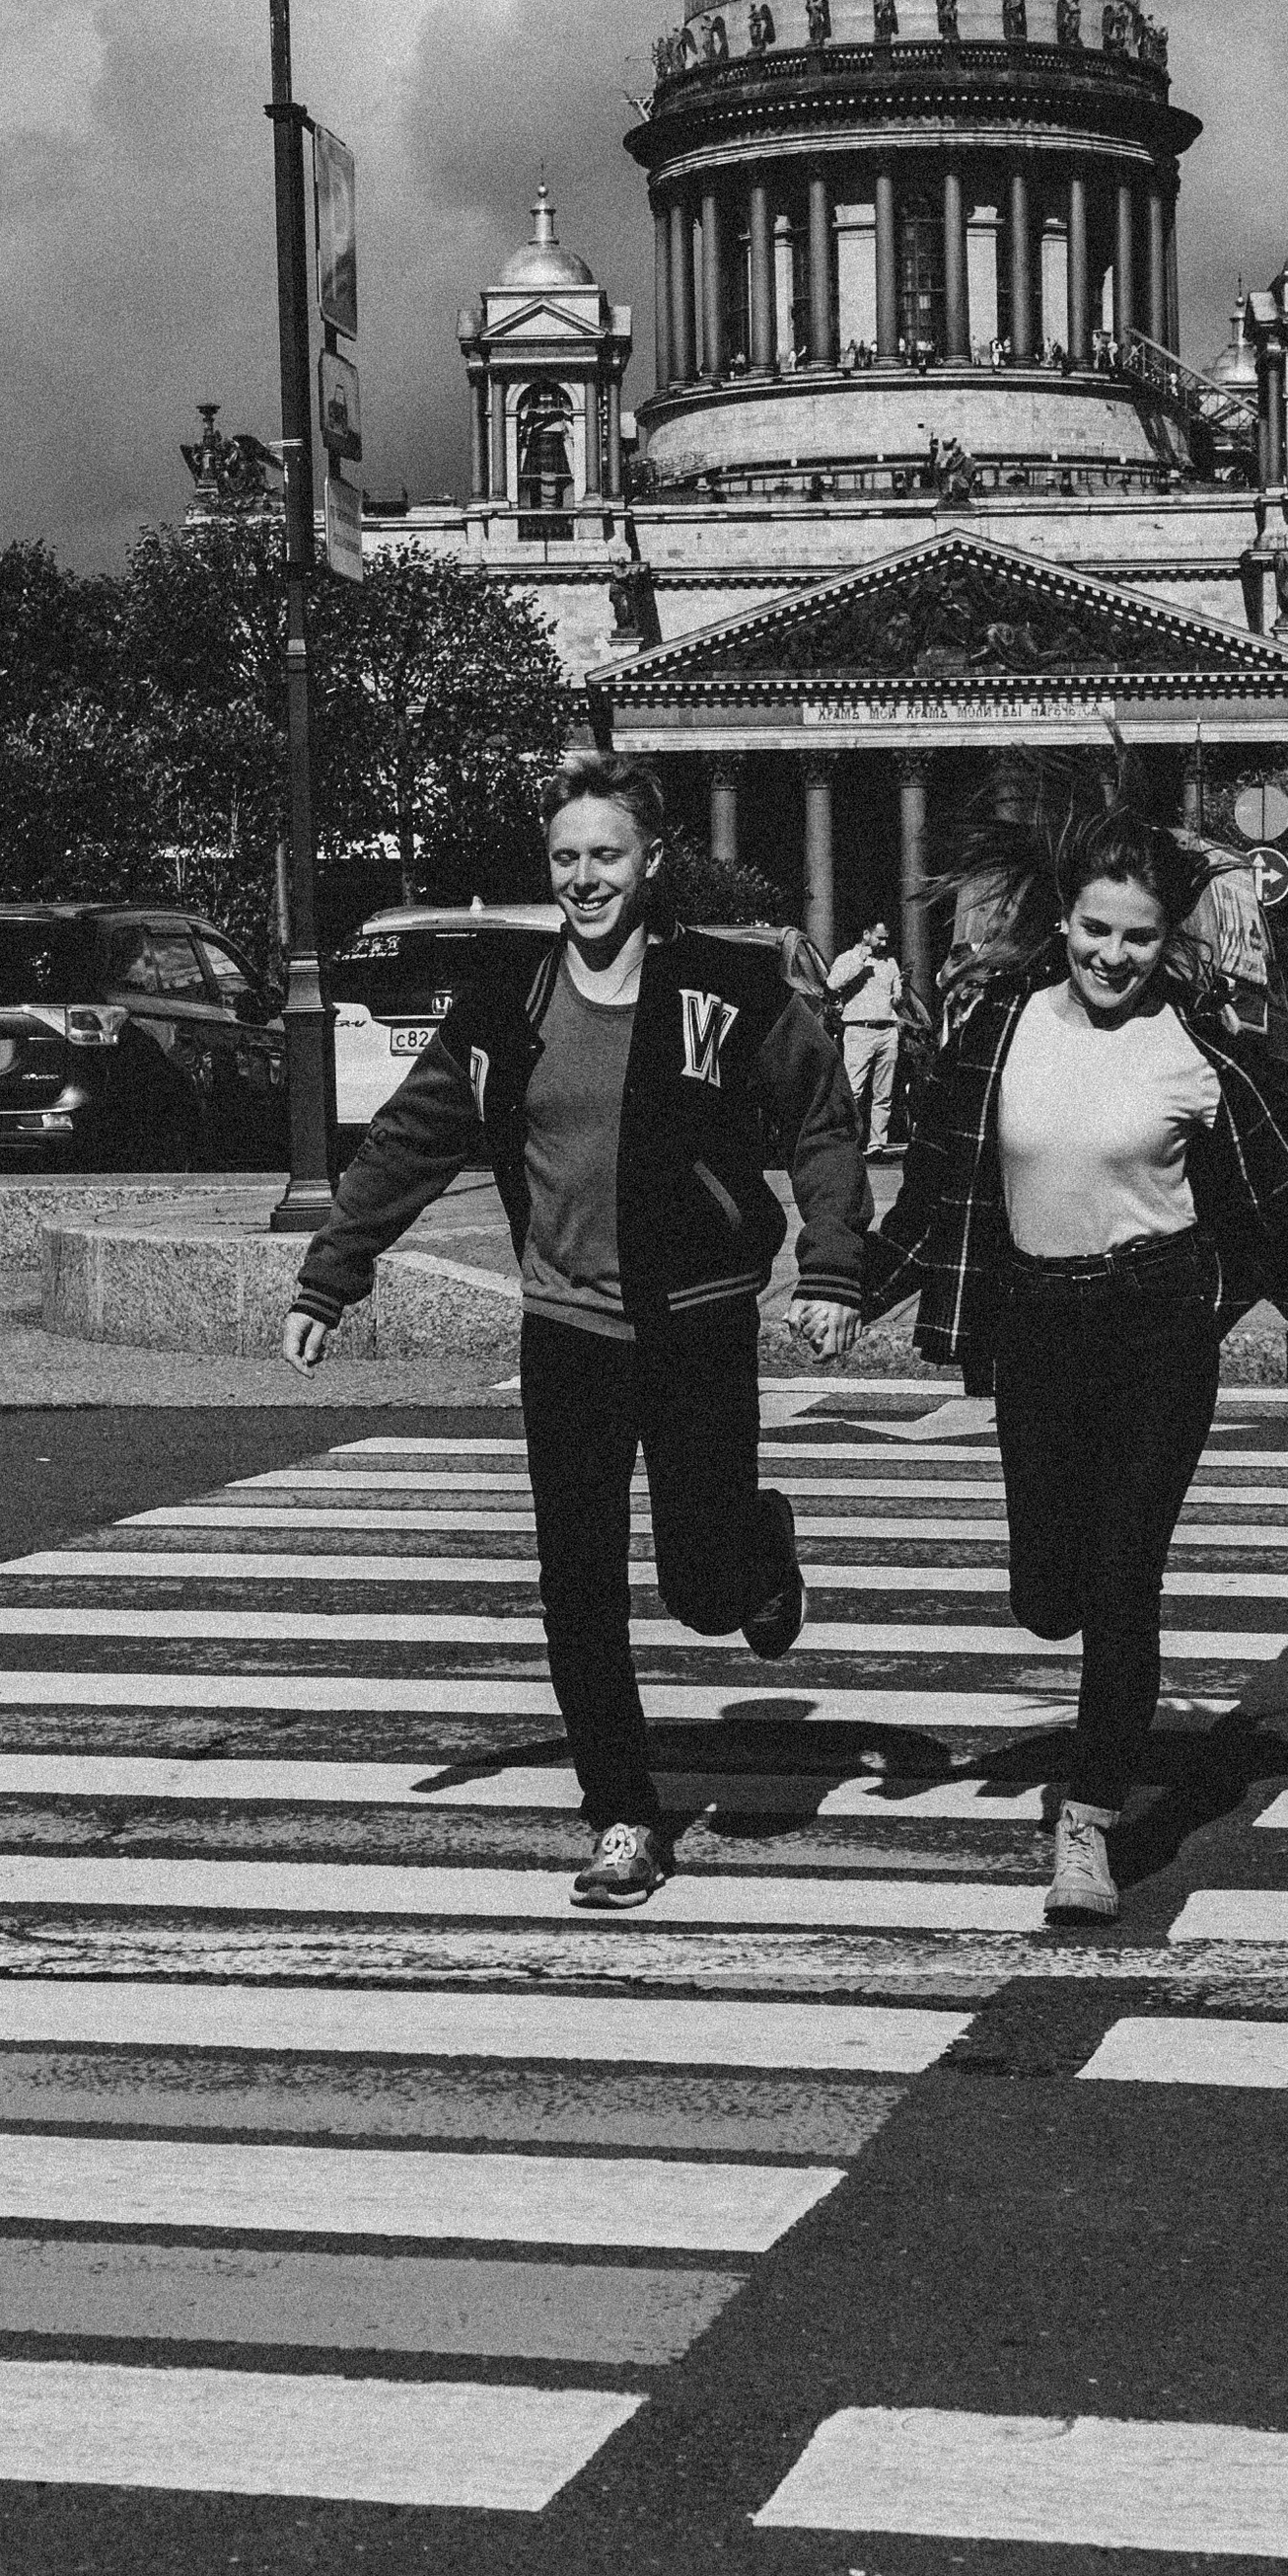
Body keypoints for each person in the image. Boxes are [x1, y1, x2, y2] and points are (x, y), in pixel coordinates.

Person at [860, 795, 1288, 1927]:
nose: (1113, 955)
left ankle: (1089, 1822)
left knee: (1121, 1581)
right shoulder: (997, 1030)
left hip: (1155, 1331)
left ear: (1166, 940)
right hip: (1035, 1330)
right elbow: (937, 1194)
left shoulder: (1199, 1053)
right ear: (1065, 924)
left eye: (1138, 937)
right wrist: (844, 1289)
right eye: (1097, 930)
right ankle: (1076, 1686)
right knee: (1047, 1594)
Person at [281, 753, 871, 1910]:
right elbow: (412, 1136)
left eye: (606, 855)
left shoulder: (729, 988)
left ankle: (756, 1543)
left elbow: (822, 1121)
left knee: (702, 1592)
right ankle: (622, 1814)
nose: (585, 878)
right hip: (568, 1333)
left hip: (695, 1325)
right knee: (578, 1582)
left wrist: (834, 1268)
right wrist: (329, 1277)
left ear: (651, 863)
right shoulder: (511, 996)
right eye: (566, 858)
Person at [826, 920, 905, 1150]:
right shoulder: (847, 958)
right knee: (853, 1089)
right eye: (879, 937)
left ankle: (877, 1142)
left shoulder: (890, 962)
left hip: (887, 1030)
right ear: (866, 934)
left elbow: (896, 994)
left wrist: (897, 997)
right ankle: (845, 1141)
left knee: (884, 1093)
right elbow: (833, 983)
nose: (884, 942)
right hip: (859, 1030)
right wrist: (860, 960)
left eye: (886, 938)